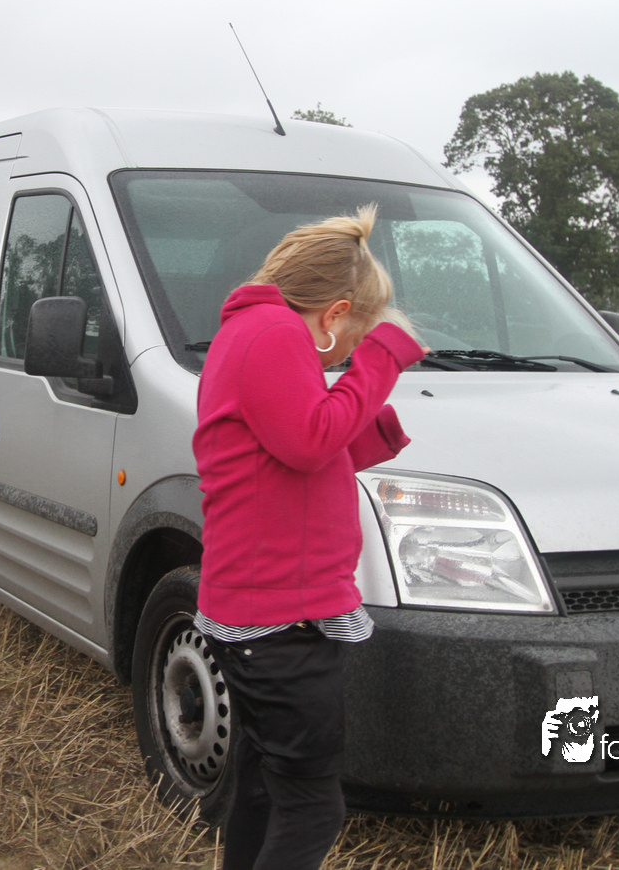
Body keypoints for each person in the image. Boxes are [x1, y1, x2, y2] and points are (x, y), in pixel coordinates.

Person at [191, 207, 425, 870]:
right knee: (312, 805)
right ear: (334, 314)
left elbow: (277, 455)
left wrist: (369, 433)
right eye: (354, 336)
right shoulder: (273, 334)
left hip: (264, 609)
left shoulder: (253, 332)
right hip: (279, 617)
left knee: (265, 786)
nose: (350, 351)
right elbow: (306, 440)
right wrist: (382, 356)